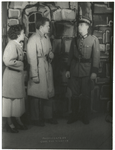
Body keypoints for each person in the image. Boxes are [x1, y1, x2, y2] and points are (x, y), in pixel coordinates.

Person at [65, 16, 100, 124]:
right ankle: (74, 115)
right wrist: (68, 69)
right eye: (78, 25)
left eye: (81, 25)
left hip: (87, 71)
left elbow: (96, 57)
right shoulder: (74, 40)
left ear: (87, 27)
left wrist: (94, 71)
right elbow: (70, 55)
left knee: (86, 95)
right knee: (74, 95)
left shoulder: (93, 39)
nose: (79, 27)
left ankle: (85, 116)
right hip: (75, 70)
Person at [27, 17, 58, 126]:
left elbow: (49, 51)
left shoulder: (46, 38)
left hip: (47, 67)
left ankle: (48, 116)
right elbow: (31, 59)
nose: (49, 27)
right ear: (41, 27)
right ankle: (36, 118)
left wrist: (51, 55)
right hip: (38, 68)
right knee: (36, 95)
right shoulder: (33, 39)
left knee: (48, 93)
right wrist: (34, 75)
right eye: (47, 26)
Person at [2, 24, 28, 133]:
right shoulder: (12, 44)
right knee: (9, 101)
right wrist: (21, 64)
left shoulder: (17, 44)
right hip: (11, 78)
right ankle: (10, 124)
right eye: (23, 33)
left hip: (15, 77)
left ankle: (17, 120)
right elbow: (7, 61)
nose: (24, 35)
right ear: (18, 34)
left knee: (16, 101)